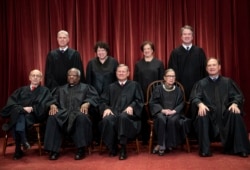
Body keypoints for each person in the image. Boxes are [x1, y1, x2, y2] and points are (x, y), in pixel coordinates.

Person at [189, 58, 250, 158]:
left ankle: (241, 149)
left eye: (214, 65)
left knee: (235, 113)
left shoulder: (227, 82)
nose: (212, 67)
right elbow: (194, 97)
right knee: (202, 113)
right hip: (209, 114)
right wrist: (200, 104)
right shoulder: (201, 83)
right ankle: (205, 150)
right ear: (206, 68)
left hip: (225, 113)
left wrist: (234, 103)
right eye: (209, 65)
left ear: (219, 67)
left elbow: (238, 96)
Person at [43, 68, 99, 160]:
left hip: (78, 112)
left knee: (82, 117)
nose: (71, 77)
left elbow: (94, 98)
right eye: (69, 75)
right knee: (52, 117)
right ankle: (54, 150)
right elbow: (52, 99)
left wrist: (87, 103)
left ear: (79, 77)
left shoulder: (86, 88)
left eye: (74, 75)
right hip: (63, 113)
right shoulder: (60, 89)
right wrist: (52, 104)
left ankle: (81, 149)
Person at [0, 69, 55, 160]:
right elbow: (11, 103)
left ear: (41, 79)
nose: (35, 77)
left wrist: (32, 108)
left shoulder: (45, 91)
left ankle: (18, 149)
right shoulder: (21, 90)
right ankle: (24, 141)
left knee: (17, 117)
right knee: (19, 115)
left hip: (34, 116)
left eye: (38, 76)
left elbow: (45, 105)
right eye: (33, 75)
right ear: (29, 77)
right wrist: (22, 109)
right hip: (21, 115)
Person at [99, 64, 144, 160]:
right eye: (119, 71)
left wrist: (132, 106)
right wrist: (106, 108)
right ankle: (112, 147)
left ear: (128, 73)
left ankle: (123, 147)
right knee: (107, 119)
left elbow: (139, 100)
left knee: (123, 117)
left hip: (129, 116)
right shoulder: (110, 87)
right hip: (114, 112)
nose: (121, 73)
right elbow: (103, 101)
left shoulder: (134, 85)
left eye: (123, 71)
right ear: (116, 73)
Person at [149, 69, 189, 156]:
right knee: (161, 119)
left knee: (172, 120)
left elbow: (182, 103)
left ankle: (164, 145)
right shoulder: (158, 88)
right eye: (169, 76)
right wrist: (163, 110)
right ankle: (163, 145)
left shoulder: (178, 90)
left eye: (173, 76)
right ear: (164, 78)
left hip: (174, 113)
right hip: (161, 112)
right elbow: (153, 102)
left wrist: (174, 111)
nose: (171, 78)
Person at [86, 41, 119, 145]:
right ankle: (96, 138)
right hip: (94, 94)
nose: (101, 52)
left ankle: (110, 138)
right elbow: (88, 81)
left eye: (103, 50)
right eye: (98, 50)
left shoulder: (114, 62)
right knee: (94, 116)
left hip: (110, 95)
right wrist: (91, 94)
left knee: (108, 115)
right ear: (96, 52)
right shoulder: (91, 63)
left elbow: (117, 79)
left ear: (107, 51)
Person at [134, 41, 165, 144]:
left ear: (152, 50)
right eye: (145, 49)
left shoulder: (159, 63)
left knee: (156, 113)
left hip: (155, 93)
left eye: (149, 48)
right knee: (143, 114)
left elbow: (162, 80)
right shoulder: (138, 64)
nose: (147, 50)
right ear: (143, 51)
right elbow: (135, 80)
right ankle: (144, 138)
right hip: (142, 93)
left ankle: (157, 137)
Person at [168, 25, 207, 100]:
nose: (187, 36)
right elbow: (172, 71)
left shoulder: (199, 51)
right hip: (180, 87)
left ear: (192, 37)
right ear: (181, 37)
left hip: (197, 86)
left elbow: (204, 70)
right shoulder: (175, 53)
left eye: (189, 34)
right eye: (184, 34)